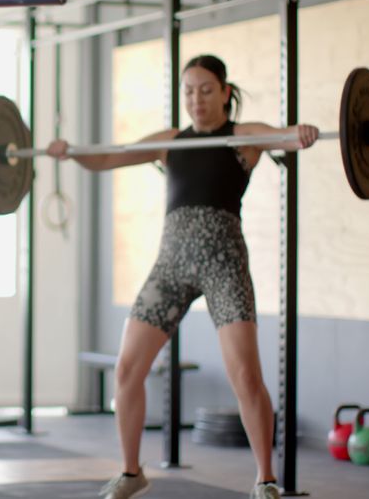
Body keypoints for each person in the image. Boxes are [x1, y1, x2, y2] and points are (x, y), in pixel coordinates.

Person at [48, 54, 319, 499]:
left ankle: (265, 480)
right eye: (189, 91)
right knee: (127, 369)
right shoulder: (172, 141)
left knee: (246, 375)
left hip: (223, 263)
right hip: (170, 265)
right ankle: (132, 471)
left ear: (226, 92)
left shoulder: (243, 137)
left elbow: (286, 138)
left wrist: (302, 133)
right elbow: (109, 159)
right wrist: (70, 152)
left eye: (206, 89)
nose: (196, 99)